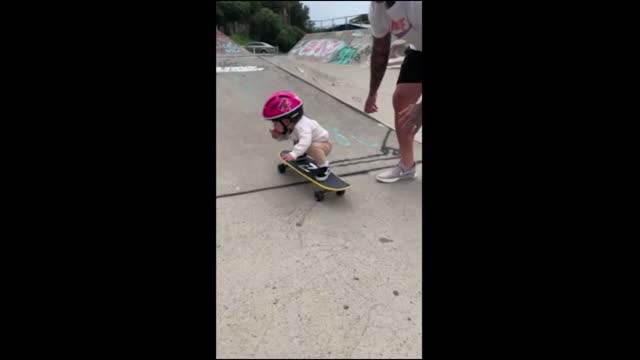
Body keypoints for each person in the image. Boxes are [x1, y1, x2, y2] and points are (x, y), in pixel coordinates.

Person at [365, 1, 423, 183]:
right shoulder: (377, 10)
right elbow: (380, 51)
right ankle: (407, 166)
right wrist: (372, 92)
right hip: (419, 51)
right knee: (401, 99)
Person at [263, 90, 333, 181]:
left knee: (309, 145)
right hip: (311, 142)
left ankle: (324, 167)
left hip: (324, 145)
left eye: (275, 123)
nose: (274, 126)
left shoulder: (303, 126)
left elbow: (305, 142)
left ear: (286, 121)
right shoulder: (291, 125)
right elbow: (288, 136)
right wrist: (277, 135)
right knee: (297, 139)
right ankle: (302, 154)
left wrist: (294, 154)